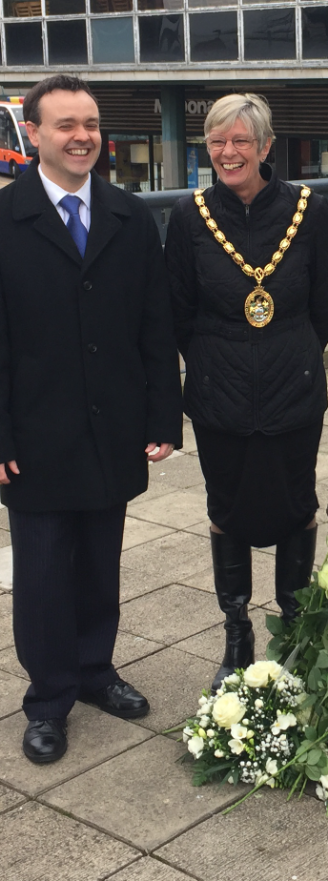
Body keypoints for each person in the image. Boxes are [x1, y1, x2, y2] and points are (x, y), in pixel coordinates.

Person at [0, 75, 183, 764]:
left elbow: (153, 324)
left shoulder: (127, 214)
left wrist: (162, 415)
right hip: (34, 437)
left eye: (89, 122)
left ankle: (94, 671)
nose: (81, 135)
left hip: (111, 427)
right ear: (32, 134)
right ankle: (48, 697)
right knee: (45, 574)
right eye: (64, 124)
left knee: (99, 567)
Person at [165, 93, 328, 692]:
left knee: (295, 502)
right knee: (226, 507)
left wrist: (296, 357)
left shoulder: (310, 209)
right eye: (216, 141)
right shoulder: (190, 216)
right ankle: (237, 633)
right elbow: (178, 310)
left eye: (239, 141)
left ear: (265, 147)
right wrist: (211, 363)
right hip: (219, 393)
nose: (227, 152)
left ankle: (291, 628)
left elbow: (323, 306)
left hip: (294, 389)